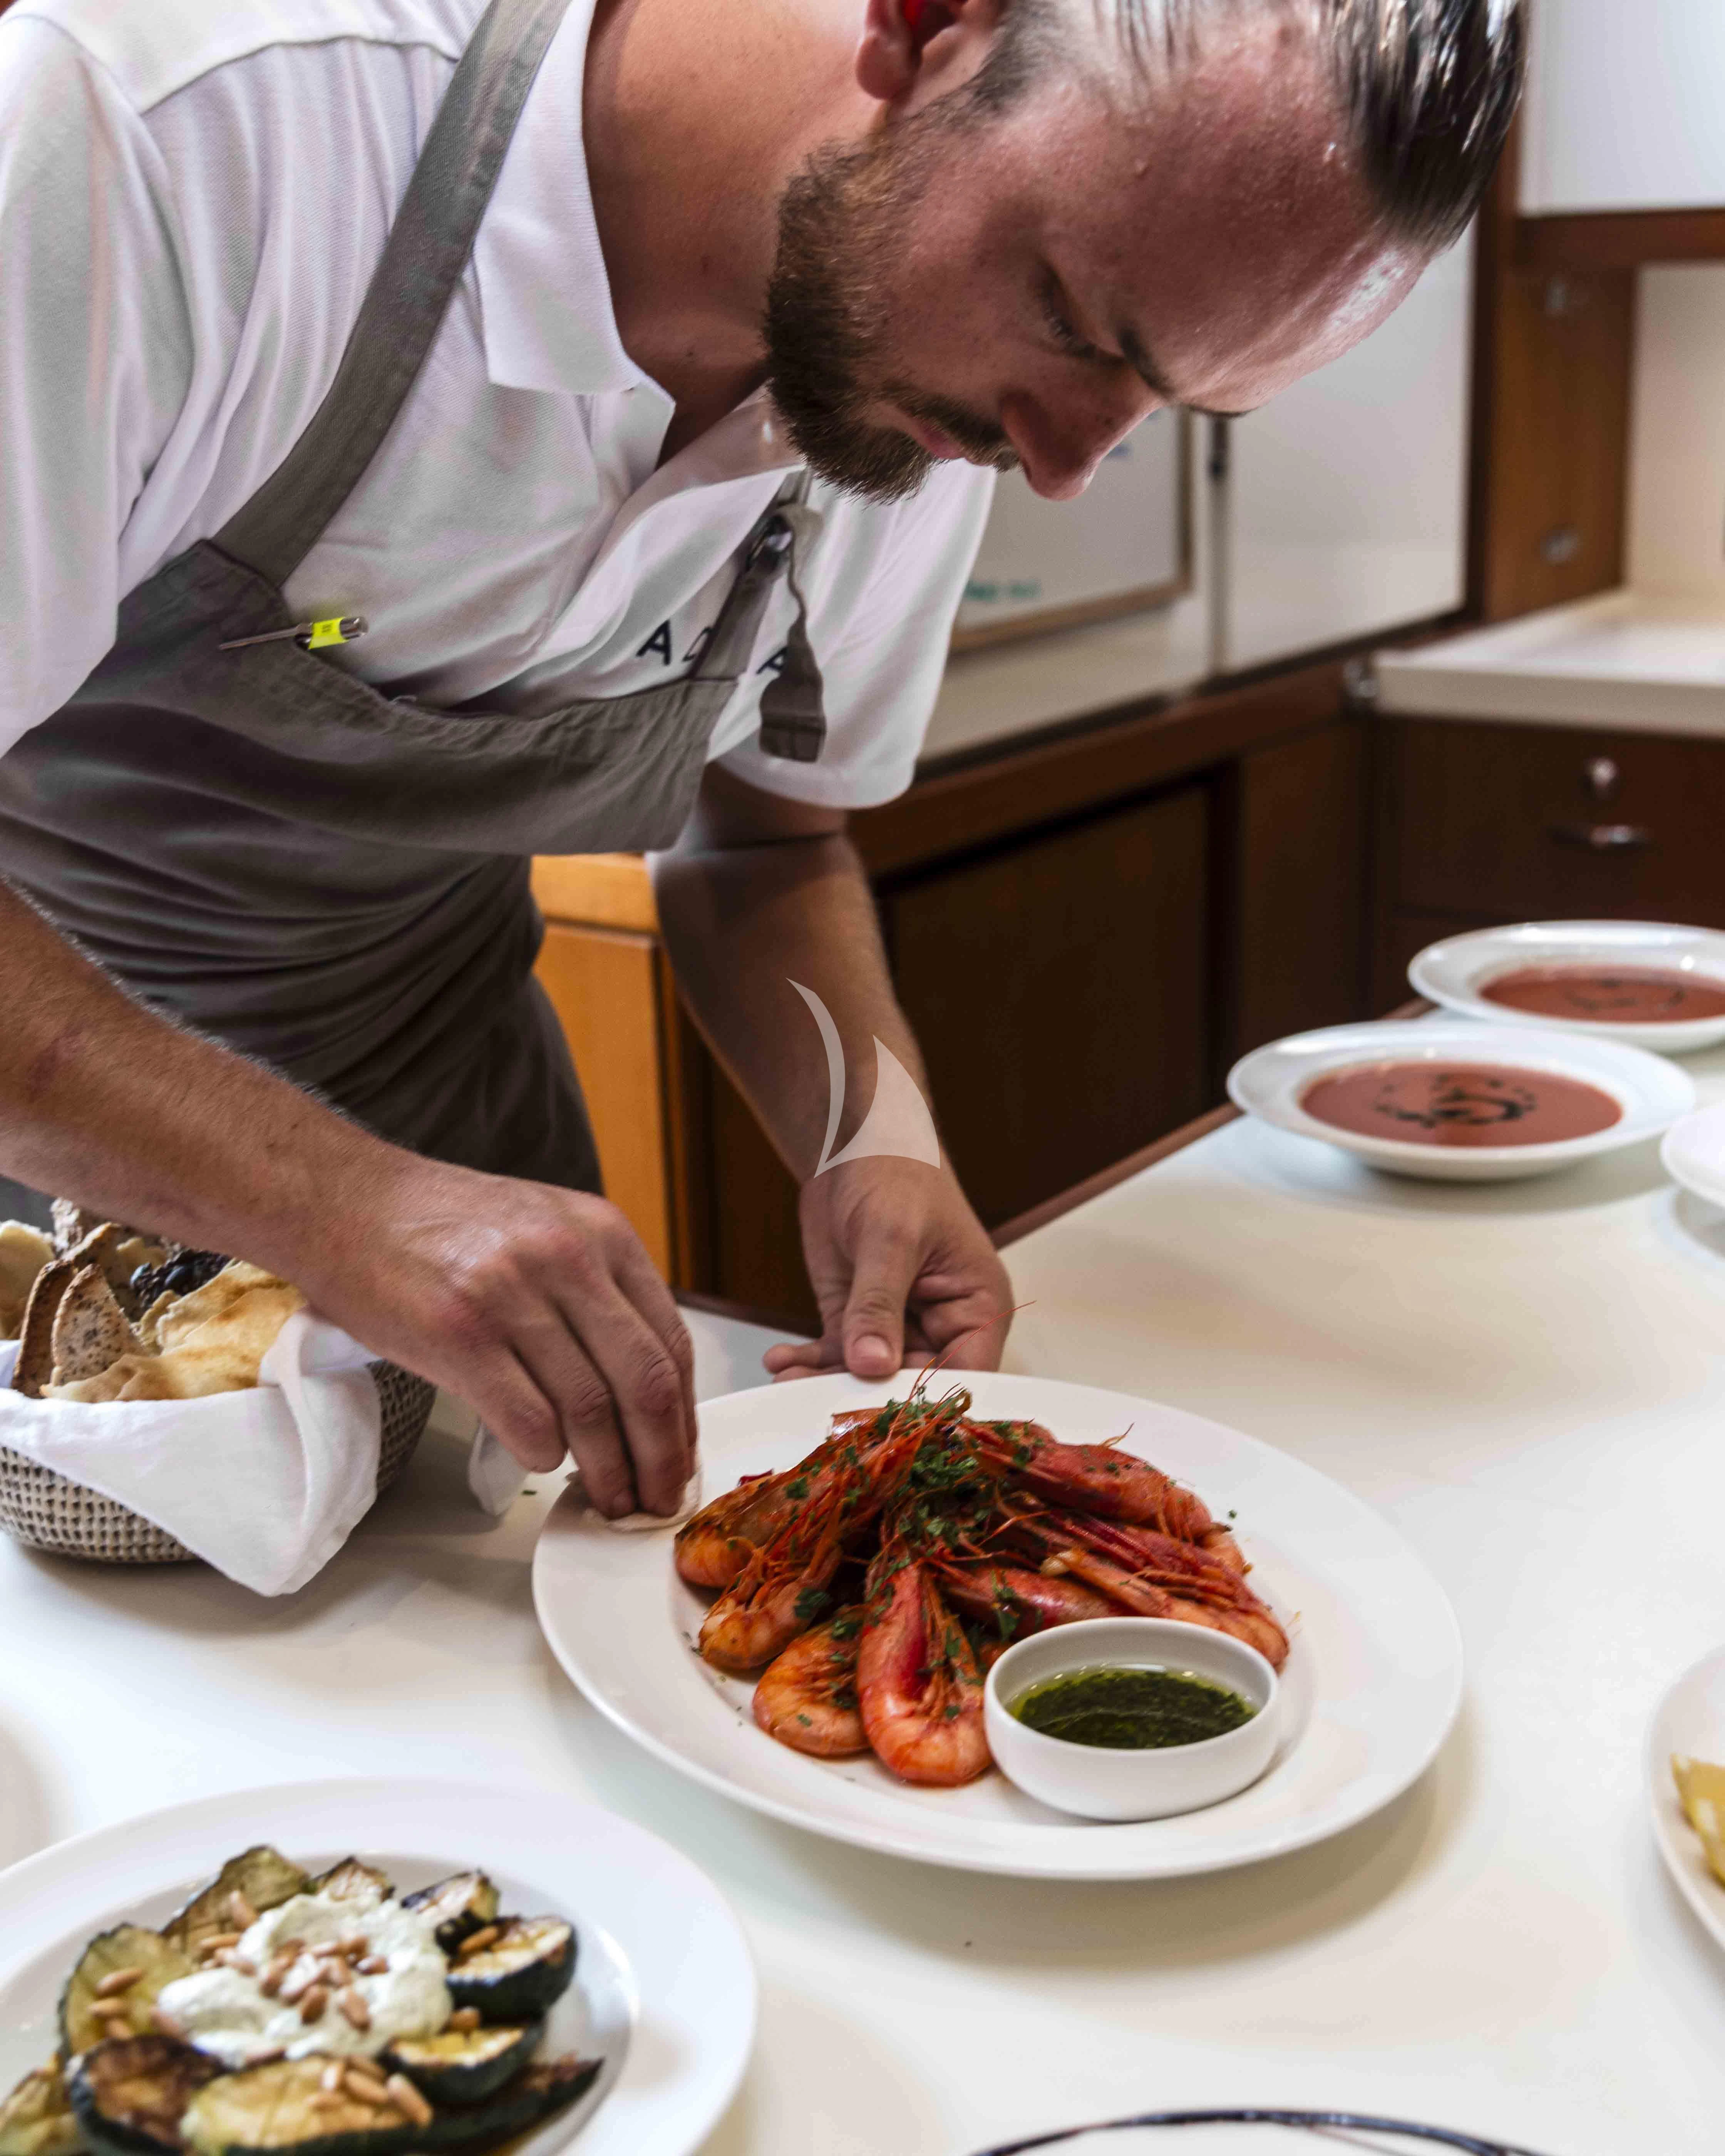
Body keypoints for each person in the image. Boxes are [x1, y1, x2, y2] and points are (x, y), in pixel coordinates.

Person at [0, 0, 1522, 1514]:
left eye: (1159, 401)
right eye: (1070, 317)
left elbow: (770, 848)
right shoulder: (179, 145)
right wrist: (343, 1208)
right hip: (58, 1208)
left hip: (466, 1154)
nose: (1061, 463)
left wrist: (878, 1135)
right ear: (923, 24)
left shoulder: (915, 375)